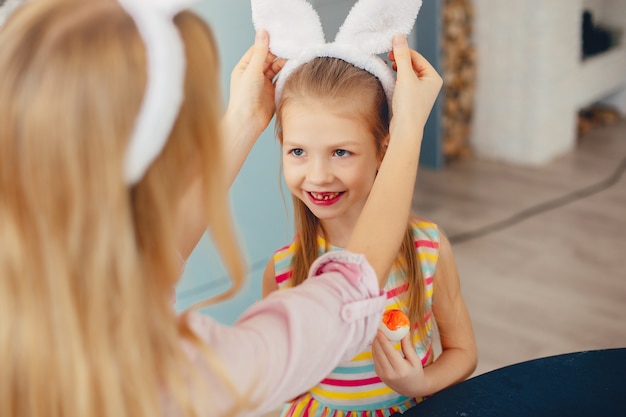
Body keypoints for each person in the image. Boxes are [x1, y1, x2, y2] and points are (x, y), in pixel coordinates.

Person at [0, 0, 443, 416]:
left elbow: (150, 259)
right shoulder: (168, 367)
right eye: (298, 151)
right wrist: (408, 132)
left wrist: (246, 117)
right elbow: (342, 301)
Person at [262, 39, 477, 417]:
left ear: (384, 149)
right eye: (298, 151)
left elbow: (463, 353)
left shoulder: (428, 249)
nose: (318, 176)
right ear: (281, 146)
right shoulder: (283, 271)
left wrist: (420, 383)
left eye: (340, 152)